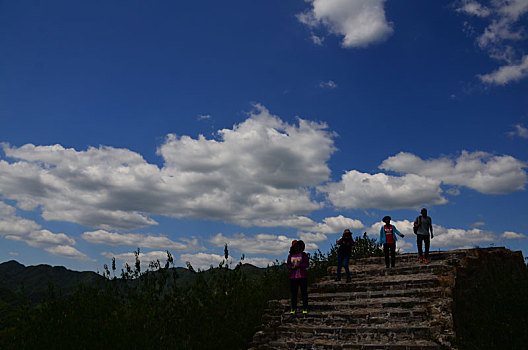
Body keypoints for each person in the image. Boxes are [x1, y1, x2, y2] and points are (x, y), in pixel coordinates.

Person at [286, 240, 309, 314]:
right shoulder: (290, 256)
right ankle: (293, 308)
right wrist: (291, 267)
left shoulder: (303, 255)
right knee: (293, 293)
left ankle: (305, 308)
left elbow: (306, 264)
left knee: (304, 293)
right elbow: (288, 265)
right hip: (293, 277)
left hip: (302, 276)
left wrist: (299, 265)